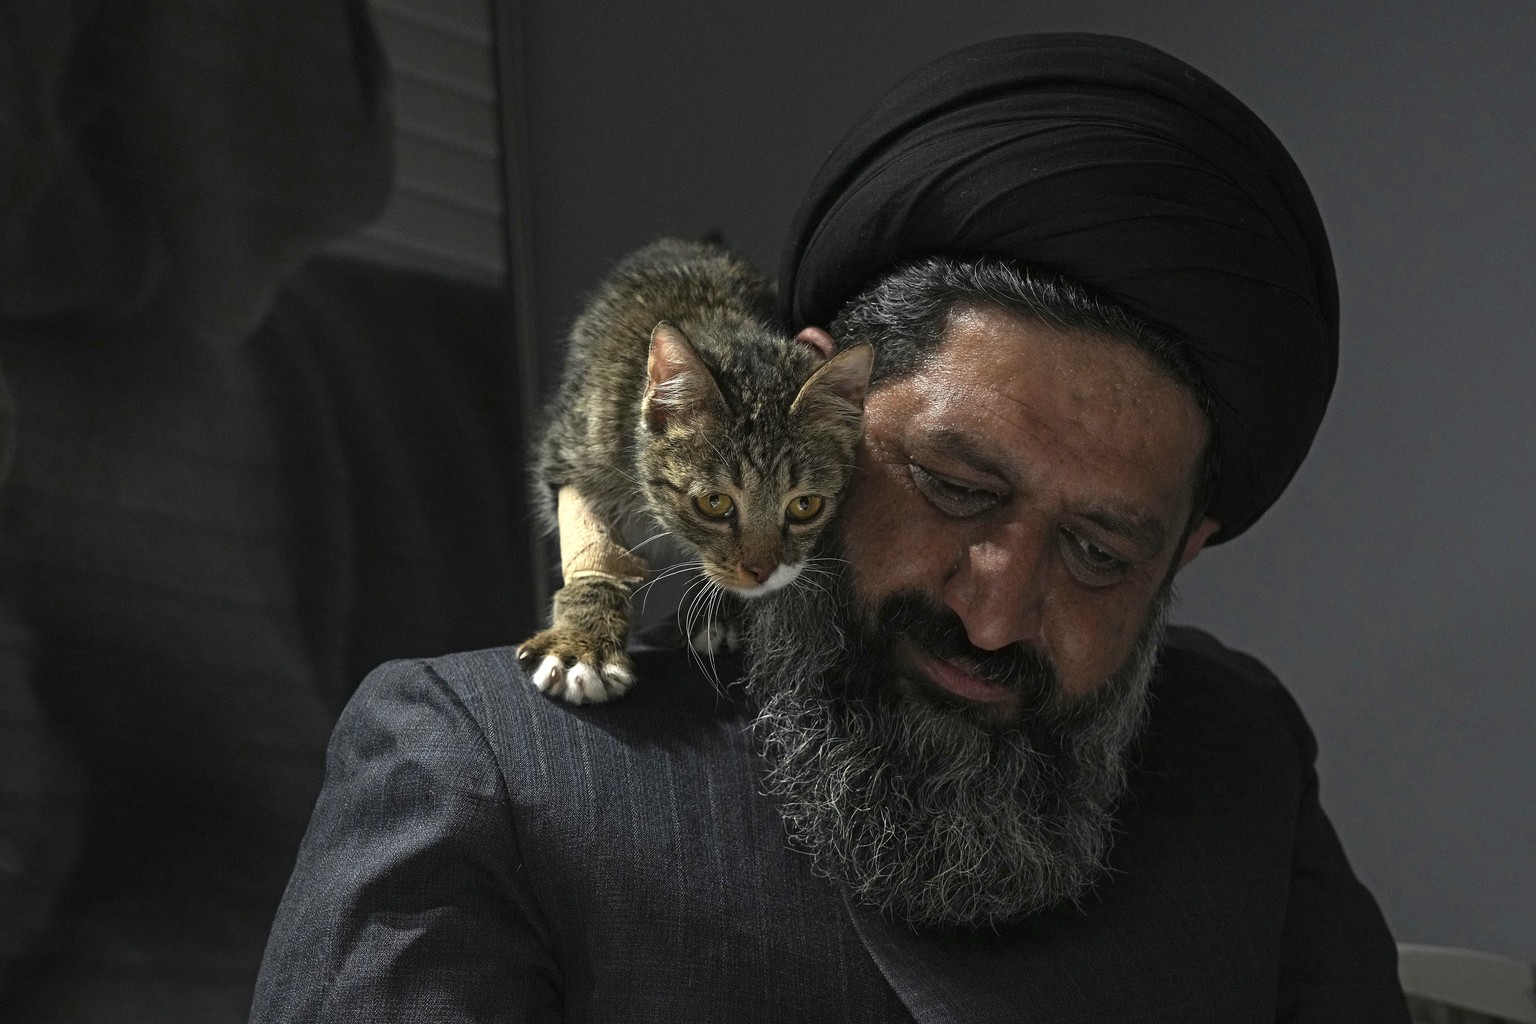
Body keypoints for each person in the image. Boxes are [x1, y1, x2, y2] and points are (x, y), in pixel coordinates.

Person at [250, 34, 1410, 1022]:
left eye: (1101, 553)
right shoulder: (485, 774)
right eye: (955, 486)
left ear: (1183, 557)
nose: (994, 607)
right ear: (828, 419)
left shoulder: (1241, 751)